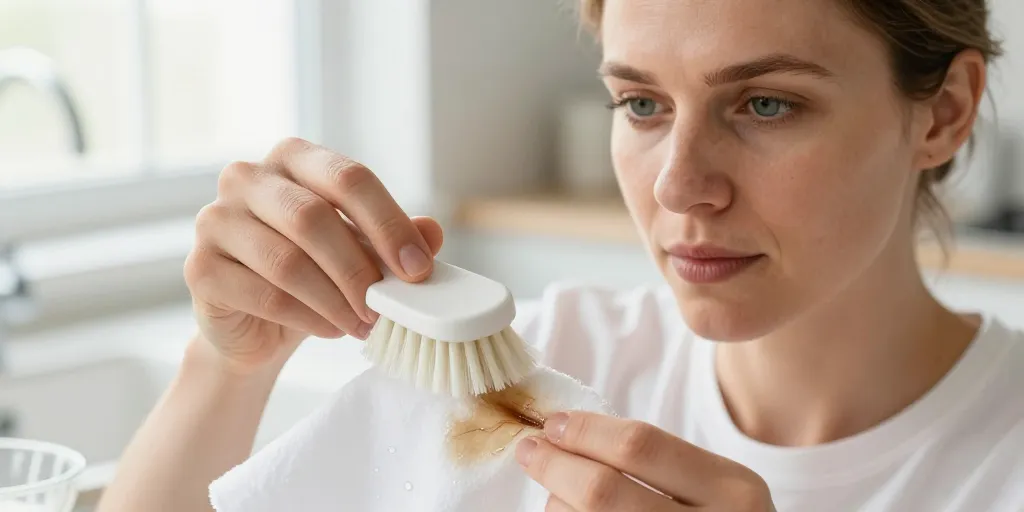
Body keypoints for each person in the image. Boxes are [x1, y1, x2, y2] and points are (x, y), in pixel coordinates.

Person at [97, 0, 1024, 510]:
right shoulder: (541, 372)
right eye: (643, 106)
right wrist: (224, 368)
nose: (677, 185)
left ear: (942, 112)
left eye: (765, 104)